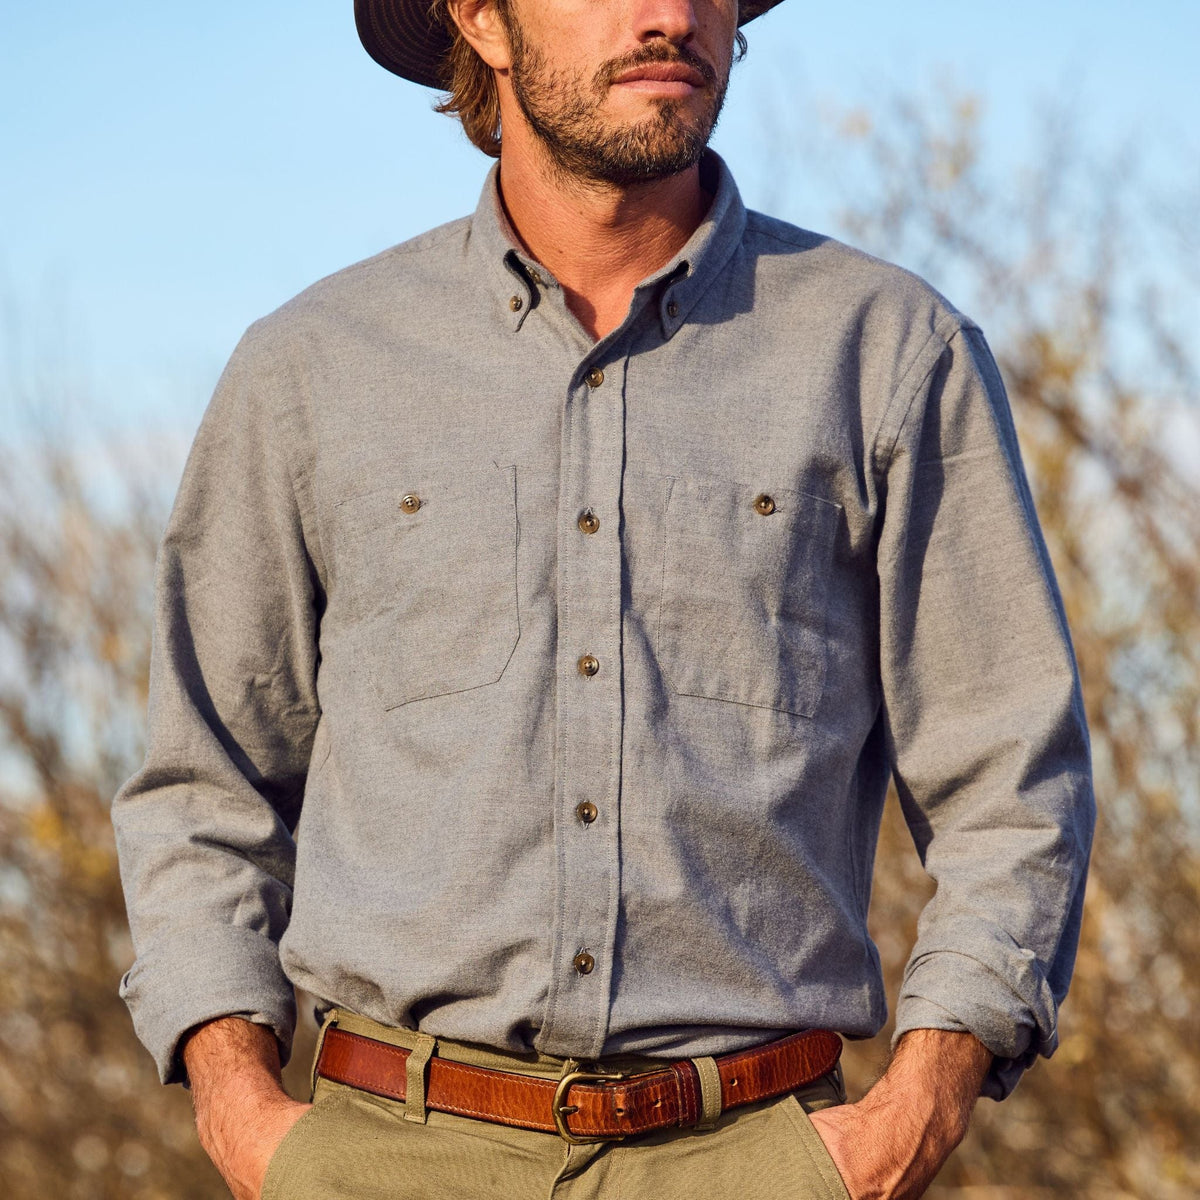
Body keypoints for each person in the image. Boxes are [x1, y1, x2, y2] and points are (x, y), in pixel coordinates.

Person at [111, 0, 1095, 1196]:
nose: (670, 14)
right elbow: (203, 784)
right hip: (379, 1155)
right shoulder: (312, 370)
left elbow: (1013, 779)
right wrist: (247, 1118)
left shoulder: (892, 353)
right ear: (482, 19)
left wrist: (912, 1116)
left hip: (759, 1156)